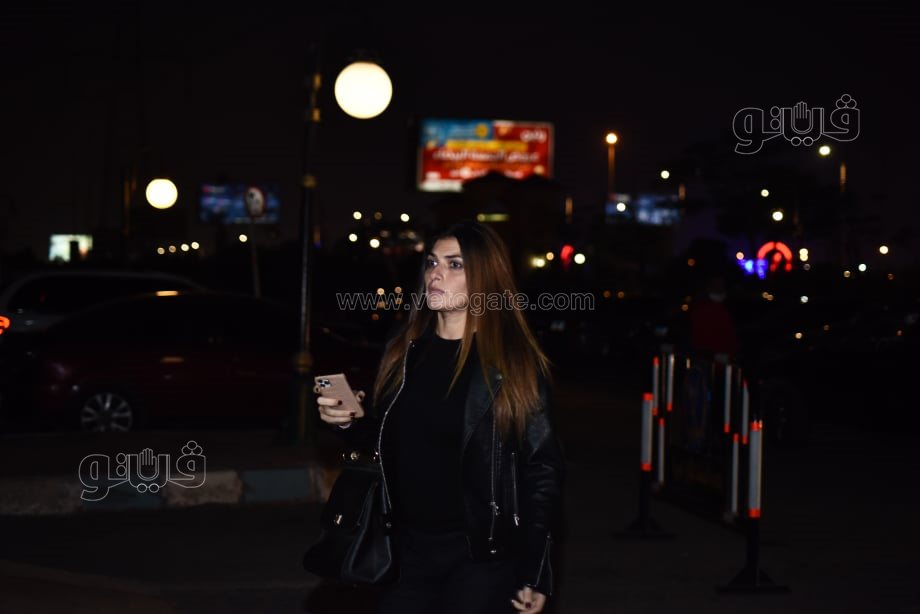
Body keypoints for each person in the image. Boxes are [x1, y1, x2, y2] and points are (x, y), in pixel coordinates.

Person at [316, 220, 564, 614]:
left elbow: (542, 471)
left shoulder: (513, 365)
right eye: (432, 262)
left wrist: (536, 569)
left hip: (481, 557)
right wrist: (348, 420)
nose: (436, 273)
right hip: (406, 551)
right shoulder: (404, 351)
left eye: (455, 265)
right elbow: (388, 444)